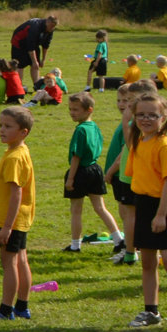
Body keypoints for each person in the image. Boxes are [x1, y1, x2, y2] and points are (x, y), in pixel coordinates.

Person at [123, 94, 167, 332]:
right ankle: (151, 310)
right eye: (141, 114)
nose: (146, 119)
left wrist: (161, 215)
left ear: (164, 118)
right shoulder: (139, 141)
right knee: (148, 262)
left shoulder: (166, 146)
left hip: (162, 207)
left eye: (153, 115)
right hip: (143, 204)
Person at [0, 107, 37, 323]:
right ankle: (22, 306)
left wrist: (7, 227)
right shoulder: (19, 151)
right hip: (19, 218)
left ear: (23, 132)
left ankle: (5, 310)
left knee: (9, 263)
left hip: (10, 219)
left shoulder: (14, 157)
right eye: (1, 125)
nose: (2, 130)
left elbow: (16, 193)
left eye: (8, 126)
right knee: (21, 260)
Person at [103, 79, 155, 266]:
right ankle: (132, 248)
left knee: (131, 215)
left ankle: (131, 251)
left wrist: (112, 170)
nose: (126, 104)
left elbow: (129, 145)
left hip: (129, 173)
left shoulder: (136, 121)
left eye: (130, 99)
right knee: (128, 214)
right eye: (123, 100)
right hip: (125, 173)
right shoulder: (136, 118)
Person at [63, 92, 123, 253]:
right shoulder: (94, 126)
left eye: (76, 110)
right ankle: (118, 239)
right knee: (100, 207)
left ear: (89, 110)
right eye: (70, 109)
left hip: (80, 171)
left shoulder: (80, 130)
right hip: (95, 169)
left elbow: (76, 156)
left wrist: (70, 178)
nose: (72, 113)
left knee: (76, 210)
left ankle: (75, 245)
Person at [10, 14, 57, 90]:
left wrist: (43, 60)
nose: (52, 28)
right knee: (20, 65)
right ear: (47, 22)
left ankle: (37, 85)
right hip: (19, 43)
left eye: (54, 26)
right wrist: (34, 61)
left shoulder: (50, 30)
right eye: (51, 26)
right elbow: (30, 46)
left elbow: (46, 45)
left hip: (33, 44)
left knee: (35, 65)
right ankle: (18, 87)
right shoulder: (35, 27)